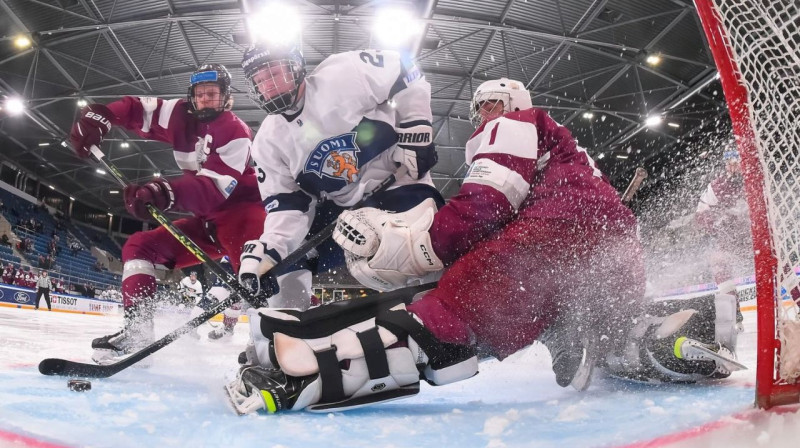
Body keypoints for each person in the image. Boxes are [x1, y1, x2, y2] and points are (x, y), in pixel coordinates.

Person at [224, 78, 743, 414]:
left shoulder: (517, 124)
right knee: (604, 331)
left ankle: (302, 377)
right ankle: (681, 328)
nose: (483, 113)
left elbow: (485, 206)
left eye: (492, 103)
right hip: (607, 249)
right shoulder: (558, 147)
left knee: (446, 320)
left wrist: (421, 247)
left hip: (555, 239)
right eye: (480, 107)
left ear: (515, 103)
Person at [68, 63, 270, 364]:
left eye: (213, 94)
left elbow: (214, 190)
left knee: (255, 279)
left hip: (243, 217)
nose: (205, 100)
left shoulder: (235, 131)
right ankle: (138, 331)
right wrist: (103, 116)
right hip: (208, 222)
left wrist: (164, 191)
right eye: (200, 94)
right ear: (192, 96)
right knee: (139, 246)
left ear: (226, 97)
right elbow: (138, 109)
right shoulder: (179, 114)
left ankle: (271, 346)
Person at [236, 42, 441, 306]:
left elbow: (404, 68)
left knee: (414, 248)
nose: (270, 85)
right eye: (260, 80)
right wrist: (271, 253)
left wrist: (417, 123)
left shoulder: (341, 74)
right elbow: (288, 208)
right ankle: (285, 327)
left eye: (275, 73)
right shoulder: (267, 142)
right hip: (343, 210)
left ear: (296, 68)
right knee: (283, 263)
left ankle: (430, 316)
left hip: (397, 184)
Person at [695, 149, 749, 328]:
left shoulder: (755, 179)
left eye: (736, 162)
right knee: (718, 263)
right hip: (729, 239)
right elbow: (700, 214)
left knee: (778, 261)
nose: (733, 167)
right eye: (729, 164)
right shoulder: (717, 186)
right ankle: (736, 313)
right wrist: (718, 222)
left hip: (755, 237)